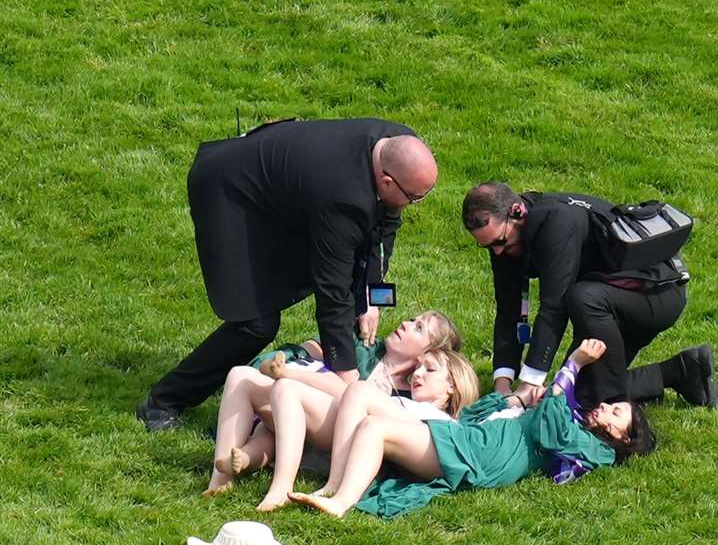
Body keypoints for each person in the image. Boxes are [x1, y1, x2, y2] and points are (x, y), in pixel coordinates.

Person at [138, 118, 439, 431]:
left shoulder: (401, 145)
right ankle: (163, 401)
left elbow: (386, 222)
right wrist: (348, 380)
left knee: (346, 279)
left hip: (284, 188)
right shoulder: (342, 198)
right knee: (256, 323)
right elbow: (332, 293)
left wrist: (371, 296)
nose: (414, 205)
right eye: (413, 198)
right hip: (230, 192)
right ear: (387, 180)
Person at [291, 339, 653, 518]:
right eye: (612, 403)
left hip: (477, 453)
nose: (605, 406)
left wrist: (573, 364)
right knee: (364, 404)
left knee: (374, 426)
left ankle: (339, 501)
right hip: (468, 438)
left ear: (625, 438)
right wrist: (518, 401)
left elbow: (549, 429)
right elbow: (482, 413)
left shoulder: (597, 451)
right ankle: (333, 488)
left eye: (617, 412)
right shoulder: (574, 423)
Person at [461, 182, 717, 411]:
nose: (497, 252)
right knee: (574, 396)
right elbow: (509, 309)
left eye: (500, 241)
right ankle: (682, 371)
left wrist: (529, 384)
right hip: (610, 298)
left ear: (517, 211)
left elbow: (554, 306)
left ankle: (667, 376)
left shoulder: (556, 220)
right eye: (487, 246)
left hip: (656, 295)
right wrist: (502, 386)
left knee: (579, 298)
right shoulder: (506, 239)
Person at [204, 310, 463, 496]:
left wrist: (293, 375)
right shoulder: (365, 348)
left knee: (289, 388)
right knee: (240, 375)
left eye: (419, 328)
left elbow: (352, 397)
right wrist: (280, 363)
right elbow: (310, 350)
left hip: (340, 438)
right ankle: (220, 479)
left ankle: (278, 484)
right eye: (412, 319)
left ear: (427, 353)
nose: (406, 323)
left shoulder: (416, 391)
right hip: (304, 413)